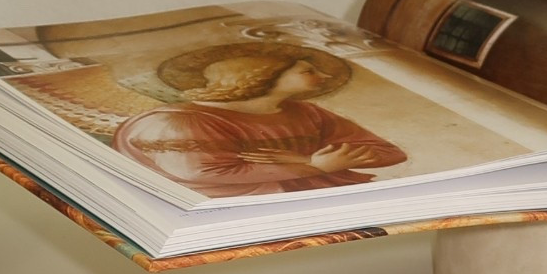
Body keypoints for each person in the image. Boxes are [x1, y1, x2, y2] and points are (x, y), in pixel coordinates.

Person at [111, 42, 407, 197]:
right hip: (229, 213)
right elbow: (207, 174)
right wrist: (311, 165)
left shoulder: (308, 113)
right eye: (307, 71)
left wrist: (307, 159)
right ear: (263, 75)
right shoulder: (178, 122)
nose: (324, 76)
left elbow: (390, 153)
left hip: (312, 198)